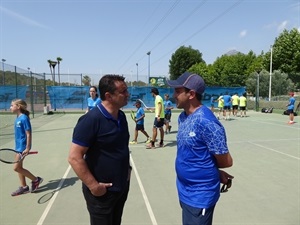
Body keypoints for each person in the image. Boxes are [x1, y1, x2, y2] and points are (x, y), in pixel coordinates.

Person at [166, 72, 233, 225]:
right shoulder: (183, 117)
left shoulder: (207, 123)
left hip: (200, 195)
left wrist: (211, 171)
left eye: (177, 91)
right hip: (184, 189)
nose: (173, 95)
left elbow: (226, 161)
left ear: (191, 94)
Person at [68, 74, 132, 225]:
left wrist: (127, 171)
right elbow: (74, 157)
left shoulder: (121, 117)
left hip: (121, 187)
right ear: (109, 96)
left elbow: (121, 147)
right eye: (123, 91)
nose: (127, 94)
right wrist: (94, 186)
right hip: (101, 194)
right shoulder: (90, 120)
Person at [10, 99, 43, 196]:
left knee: (16, 168)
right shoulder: (17, 117)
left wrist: (27, 147)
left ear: (18, 106)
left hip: (22, 147)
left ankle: (36, 180)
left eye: (12, 105)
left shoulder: (24, 118)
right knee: (19, 167)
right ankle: (24, 187)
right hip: (18, 146)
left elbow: (28, 133)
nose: (10, 107)